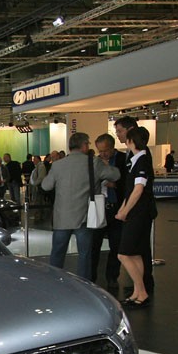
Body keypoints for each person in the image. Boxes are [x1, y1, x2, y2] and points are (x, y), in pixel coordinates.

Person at [41, 132, 120, 280]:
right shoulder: (94, 163)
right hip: (84, 216)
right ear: (84, 145)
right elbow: (115, 175)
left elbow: (46, 186)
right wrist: (105, 163)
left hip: (62, 217)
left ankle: (53, 281)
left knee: (57, 252)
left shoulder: (58, 165)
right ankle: (84, 284)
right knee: (85, 255)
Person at [115, 126, 157, 308]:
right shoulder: (135, 160)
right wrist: (123, 209)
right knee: (136, 254)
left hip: (139, 213)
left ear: (132, 140)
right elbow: (131, 190)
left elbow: (138, 190)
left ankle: (142, 292)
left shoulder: (142, 161)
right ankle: (138, 293)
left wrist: (125, 211)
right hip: (136, 212)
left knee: (123, 254)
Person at [90, 133, 123, 289]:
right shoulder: (95, 162)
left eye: (105, 150)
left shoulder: (122, 159)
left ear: (112, 147)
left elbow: (127, 182)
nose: (102, 154)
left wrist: (115, 185)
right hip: (98, 208)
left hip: (116, 208)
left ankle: (112, 277)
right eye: (100, 151)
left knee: (116, 245)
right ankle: (91, 278)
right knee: (94, 245)